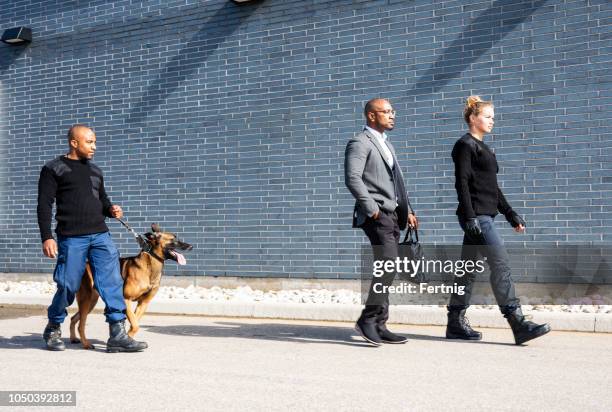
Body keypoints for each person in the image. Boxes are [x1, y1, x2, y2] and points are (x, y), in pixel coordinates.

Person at [447, 96, 551, 345]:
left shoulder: (486, 149)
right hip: (477, 217)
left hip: (485, 214)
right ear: (473, 118)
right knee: (501, 263)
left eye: (493, 117)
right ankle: (517, 322)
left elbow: (493, 188)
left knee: (467, 271)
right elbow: (461, 183)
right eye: (487, 116)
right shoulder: (465, 145)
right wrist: (470, 216)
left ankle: (454, 323)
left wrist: (510, 213)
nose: (492, 121)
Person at [37, 124, 147, 352]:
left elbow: (102, 199)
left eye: (95, 142)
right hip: (71, 237)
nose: (94, 146)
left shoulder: (96, 171)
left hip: (100, 236)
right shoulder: (53, 169)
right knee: (68, 285)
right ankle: (53, 326)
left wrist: (111, 209)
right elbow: (44, 205)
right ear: (74, 143)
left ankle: (117, 333)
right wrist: (47, 236)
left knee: (112, 283)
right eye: (89, 142)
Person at [345, 98, 418, 346]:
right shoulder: (359, 142)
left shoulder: (387, 144)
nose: (392, 115)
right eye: (386, 112)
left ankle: (380, 323)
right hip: (377, 215)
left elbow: (396, 182)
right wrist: (372, 209)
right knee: (389, 265)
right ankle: (367, 319)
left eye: (392, 111)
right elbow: (353, 178)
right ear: (371, 115)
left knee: (385, 266)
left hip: (394, 215)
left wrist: (408, 210)